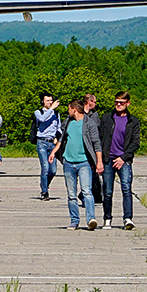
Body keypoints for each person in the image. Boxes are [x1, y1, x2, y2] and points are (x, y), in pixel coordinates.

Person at [96, 92, 142, 229]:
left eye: (121, 102)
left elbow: (135, 142)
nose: (118, 105)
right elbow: (99, 138)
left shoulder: (133, 121)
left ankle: (127, 218)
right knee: (108, 190)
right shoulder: (106, 119)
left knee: (126, 188)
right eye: (116, 102)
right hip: (108, 158)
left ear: (128, 103)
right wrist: (99, 159)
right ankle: (107, 218)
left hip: (124, 159)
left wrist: (123, 157)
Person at [60, 96, 95, 229]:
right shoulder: (68, 122)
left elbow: (96, 143)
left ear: (74, 109)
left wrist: (98, 162)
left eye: (69, 108)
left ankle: (91, 218)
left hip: (84, 162)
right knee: (71, 194)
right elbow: (61, 138)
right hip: (69, 162)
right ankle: (74, 220)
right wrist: (55, 153)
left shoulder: (88, 123)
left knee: (87, 191)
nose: (68, 111)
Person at [32, 93, 62, 200]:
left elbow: (59, 127)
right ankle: (44, 192)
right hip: (42, 142)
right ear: (43, 102)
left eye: (51, 100)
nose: (50, 102)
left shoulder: (56, 113)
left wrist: (57, 136)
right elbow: (42, 119)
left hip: (52, 143)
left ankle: (45, 184)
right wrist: (51, 109)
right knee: (45, 167)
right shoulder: (38, 112)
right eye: (47, 100)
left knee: (53, 170)